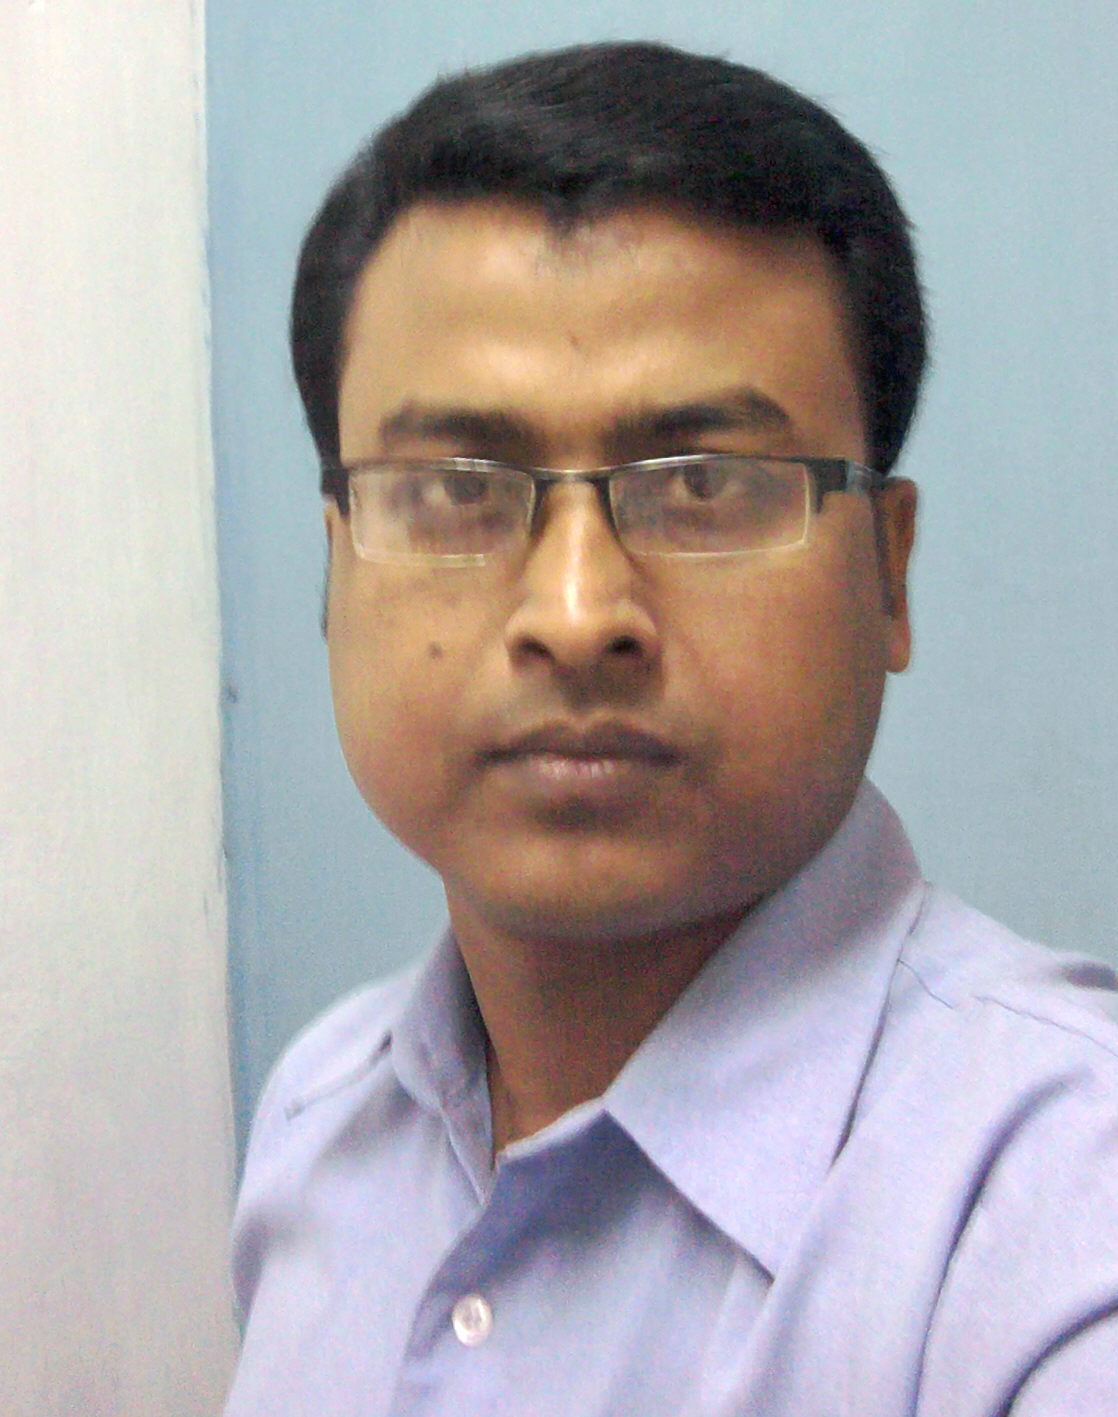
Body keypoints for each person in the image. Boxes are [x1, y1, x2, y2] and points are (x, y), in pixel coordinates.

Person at [224, 41, 1118, 1416]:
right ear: (336, 563)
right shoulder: (318, 1120)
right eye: (454, 488)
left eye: (702, 484)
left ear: (888, 571)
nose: (577, 614)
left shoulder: (1057, 1205)